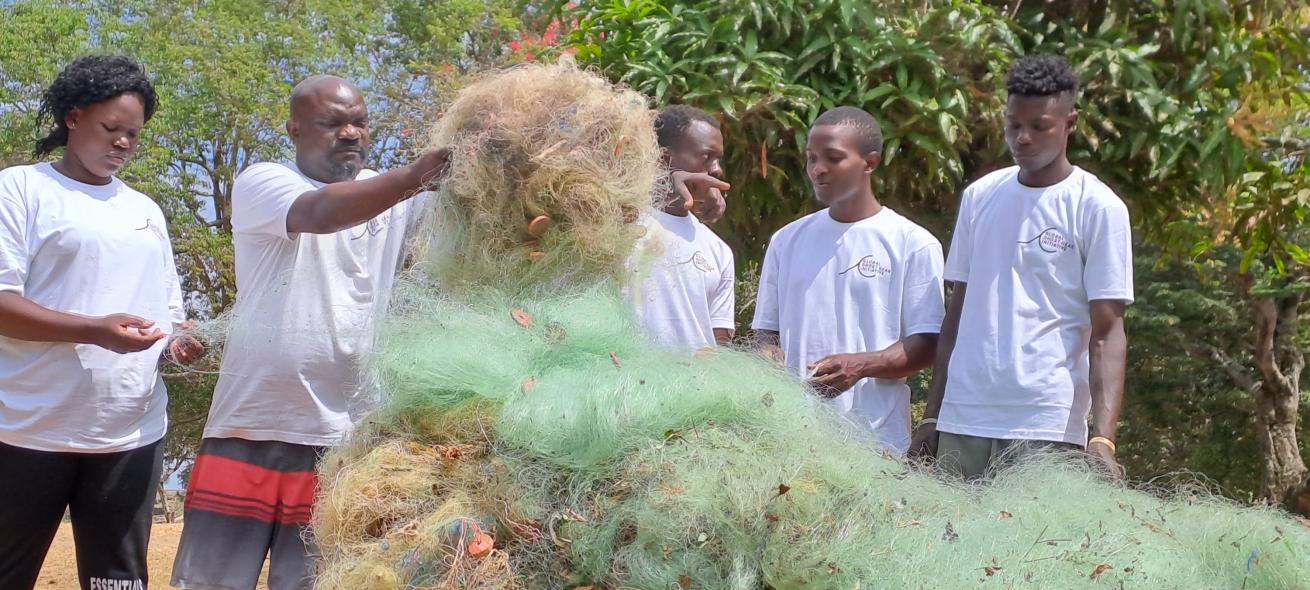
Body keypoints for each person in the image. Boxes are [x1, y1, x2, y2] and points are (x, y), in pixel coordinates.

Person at [170, 75, 451, 590]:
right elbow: (319, 214)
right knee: (210, 583)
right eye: (332, 123)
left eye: (360, 122)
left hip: (345, 440)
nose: (350, 133)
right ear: (294, 129)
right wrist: (415, 175)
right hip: (250, 429)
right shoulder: (265, 182)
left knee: (318, 583)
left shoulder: (399, 200)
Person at [0, 55, 204, 590]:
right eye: (111, 128)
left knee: (118, 583)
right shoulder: (21, 189)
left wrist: (177, 344)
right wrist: (93, 329)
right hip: (27, 430)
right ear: (73, 117)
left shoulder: (144, 210)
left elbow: (169, 316)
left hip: (129, 432)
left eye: (133, 135)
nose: (122, 144)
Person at [910, 55, 1133, 480]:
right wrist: (930, 417)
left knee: (1038, 546)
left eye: (1040, 126)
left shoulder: (1098, 207)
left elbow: (1107, 332)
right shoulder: (980, 197)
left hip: (1046, 422)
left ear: (1071, 122)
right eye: (1014, 125)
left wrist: (1102, 438)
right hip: (964, 419)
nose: (1023, 138)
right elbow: (957, 316)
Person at [751, 106, 944, 454]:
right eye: (811, 158)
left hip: (876, 444)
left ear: (869, 162)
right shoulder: (786, 240)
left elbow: (928, 344)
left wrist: (859, 365)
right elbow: (766, 331)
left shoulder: (913, 243)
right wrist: (768, 355)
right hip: (791, 439)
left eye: (833, 158)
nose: (817, 169)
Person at [630, 105, 736, 350]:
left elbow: (720, 343)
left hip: (693, 387)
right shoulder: (621, 227)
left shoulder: (718, 250)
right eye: (706, 156)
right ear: (664, 158)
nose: (716, 169)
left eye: (719, 159)